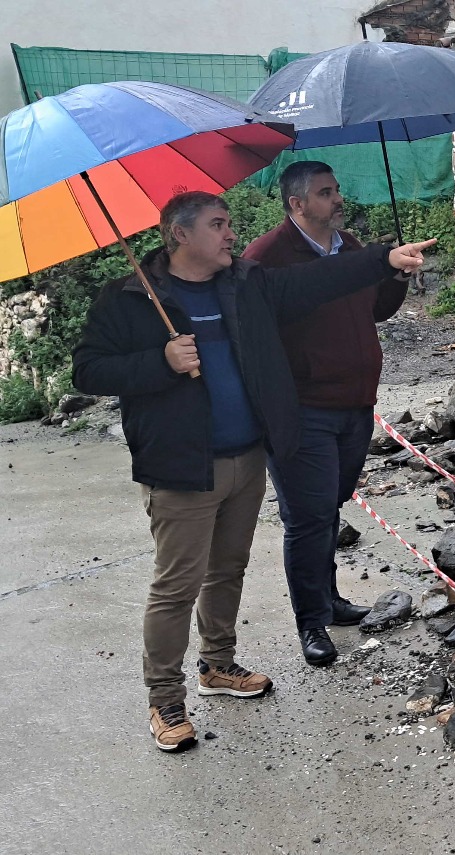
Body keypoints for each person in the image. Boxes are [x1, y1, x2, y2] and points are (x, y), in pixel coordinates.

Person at [72, 191, 432, 753]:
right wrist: (158, 363)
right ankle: (165, 698)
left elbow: (316, 282)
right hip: (181, 466)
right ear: (179, 234)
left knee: (227, 571)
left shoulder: (244, 283)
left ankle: (217, 665)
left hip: (246, 456)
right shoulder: (130, 298)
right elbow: (87, 369)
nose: (231, 234)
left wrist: (381, 260)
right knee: (175, 587)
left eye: (230, 224)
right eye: (218, 225)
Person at [242, 161, 409, 668]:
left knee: (328, 507)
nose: (338, 200)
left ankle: (330, 601)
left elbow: (374, 308)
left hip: (355, 404)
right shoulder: (268, 258)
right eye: (326, 193)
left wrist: (396, 274)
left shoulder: (351, 247)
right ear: (297, 204)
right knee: (308, 518)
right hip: (302, 410)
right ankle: (311, 622)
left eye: (336, 190)